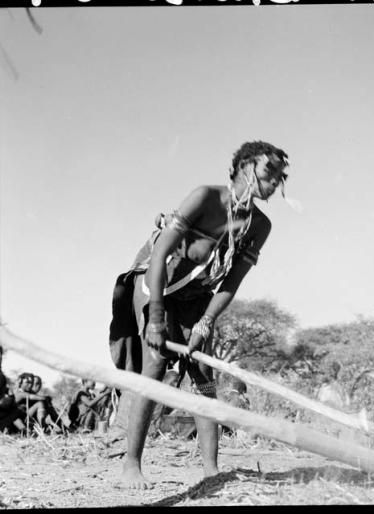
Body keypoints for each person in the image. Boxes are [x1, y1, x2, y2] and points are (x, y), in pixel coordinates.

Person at [109, 140, 290, 489]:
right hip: (156, 284)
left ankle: (211, 468)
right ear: (244, 167)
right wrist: (157, 317)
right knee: (156, 364)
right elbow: (160, 255)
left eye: (281, 176)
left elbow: (230, 284)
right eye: (269, 171)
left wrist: (205, 322)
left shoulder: (260, 226)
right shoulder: (205, 197)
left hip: (197, 297)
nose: (276, 181)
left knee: (203, 372)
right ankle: (131, 465)